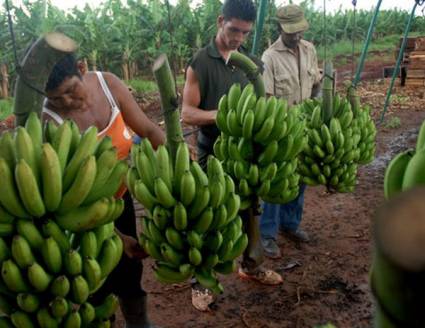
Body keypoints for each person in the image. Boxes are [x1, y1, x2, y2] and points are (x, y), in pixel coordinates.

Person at [43, 54, 165, 328]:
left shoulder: (108, 84)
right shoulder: (50, 121)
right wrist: (117, 238)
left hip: (120, 198)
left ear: (82, 68)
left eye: (71, 91)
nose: (67, 102)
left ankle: (138, 321)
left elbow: (147, 129)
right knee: (97, 281)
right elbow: (66, 197)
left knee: (131, 270)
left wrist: (177, 164)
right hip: (81, 215)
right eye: (56, 98)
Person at [182, 0, 283, 312]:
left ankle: (252, 266)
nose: (238, 37)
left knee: (251, 212)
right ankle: (201, 281)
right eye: (233, 29)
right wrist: (224, 115)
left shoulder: (252, 65)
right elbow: (187, 113)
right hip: (212, 153)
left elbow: (261, 106)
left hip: (246, 156)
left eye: (244, 32)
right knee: (209, 217)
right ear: (220, 20)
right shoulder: (200, 62)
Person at [260, 4, 322, 259]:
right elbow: (267, 99)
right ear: (279, 28)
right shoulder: (269, 57)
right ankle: (267, 234)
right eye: (291, 32)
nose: (296, 36)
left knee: (300, 180)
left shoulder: (310, 50)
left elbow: (315, 84)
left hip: (306, 128)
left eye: (299, 31)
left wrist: (318, 107)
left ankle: (291, 224)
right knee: (277, 183)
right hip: (282, 131)